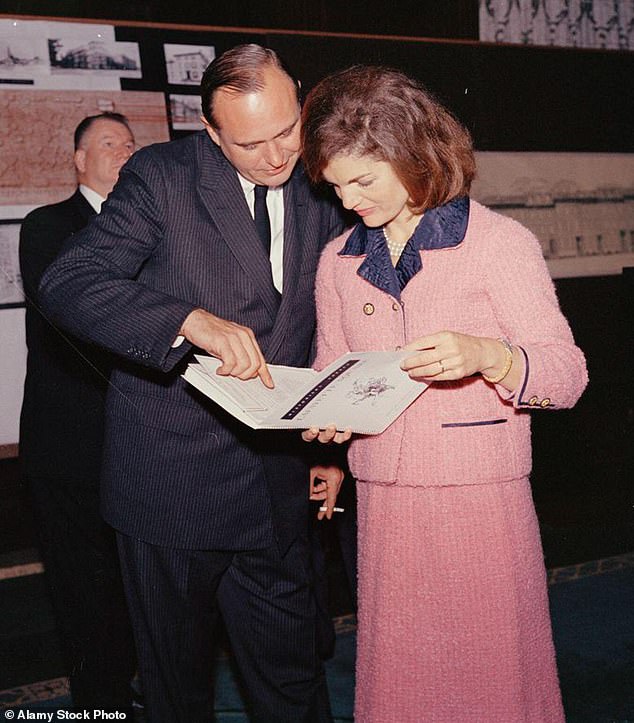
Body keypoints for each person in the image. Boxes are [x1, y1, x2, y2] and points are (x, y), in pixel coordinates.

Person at [38, 44, 345, 723]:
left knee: (294, 681)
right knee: (178, 692)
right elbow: (69, 283)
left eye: (287, 130)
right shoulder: (162, 178)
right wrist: (185, 319)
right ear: (209, 132)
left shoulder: (322, 174)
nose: (277, 156)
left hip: (277, 486)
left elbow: (328, 314)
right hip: (171, 490)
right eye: (251, 143)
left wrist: (328, 442)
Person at [300, 65, 588, 722]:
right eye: (336, 185)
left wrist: (492, 356)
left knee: (492, 679)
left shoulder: (498, 244)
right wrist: (323, 430)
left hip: (480, 496)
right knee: (403, 680)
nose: (348, 201)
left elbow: (566, 378)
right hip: (385, 499)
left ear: (412, 155)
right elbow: (331, 373)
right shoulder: (338, 259)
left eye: (364, 181)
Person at [19, 112, 138, 710]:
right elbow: (75, 319)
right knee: (80, 586)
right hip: (70, 445)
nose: (123, 153)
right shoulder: (50, 227)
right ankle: (101, 700)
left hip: (137, 442)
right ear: (78, 160)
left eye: (129, 144)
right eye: (109, 144)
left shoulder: (150, 229)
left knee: (136, 581)